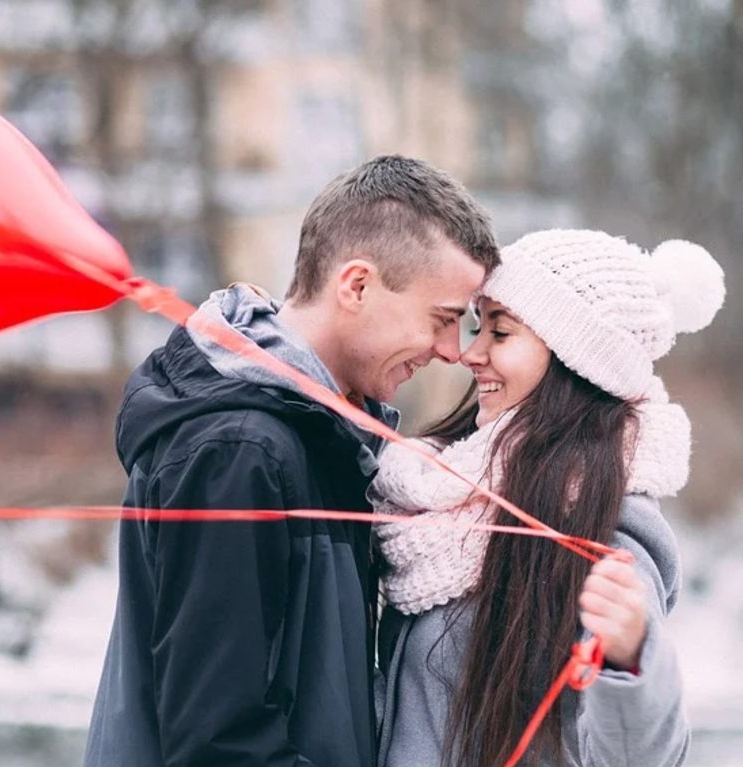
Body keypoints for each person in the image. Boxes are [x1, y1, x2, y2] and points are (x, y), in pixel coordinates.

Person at [84, 155, 499, 767]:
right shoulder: (241, 451)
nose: (450, 351)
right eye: (442, 320)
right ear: (356, 286)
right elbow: (217, 743)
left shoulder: (318, 439)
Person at [372, 230, 725, 766]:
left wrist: (629, 660)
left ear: (574, 359)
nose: (471, 353)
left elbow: (643, 760)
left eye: (501, 332)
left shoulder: (607, 525)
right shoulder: (435, 502)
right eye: (476, 325)